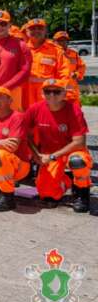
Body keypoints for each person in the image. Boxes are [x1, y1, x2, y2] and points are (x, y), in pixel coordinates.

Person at [25, 79, 93, 211]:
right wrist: (36, 154)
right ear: (42, 94)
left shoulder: (74, 110)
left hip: (71, 152)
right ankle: (66, 180)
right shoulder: (35, 108)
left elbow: (79, 142)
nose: (51, 95)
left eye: (56, 92)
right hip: (48, 155)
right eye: (47, 91)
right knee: (47, 194)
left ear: (64, 94)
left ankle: (82, 193)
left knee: (78, 161)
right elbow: (25, 133)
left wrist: (51, 156)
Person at [23, 19, 69, 109]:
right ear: (27, 31)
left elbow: (64, 72)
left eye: (40, 28)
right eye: (32, 28)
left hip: (48, 95)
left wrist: (60, 92)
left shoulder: (56, 50)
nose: (36, 31)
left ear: (45, 31)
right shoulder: (21, 49)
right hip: (25, 95)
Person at [53, 31, 86, 101]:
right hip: (56, 87)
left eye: (65, 40)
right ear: (54, 42)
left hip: (72, 88)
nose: (62, 42)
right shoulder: (51, 54)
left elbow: (82, 66)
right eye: (60, 40)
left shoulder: (74, 54)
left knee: (75, 107)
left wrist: (77, 74)